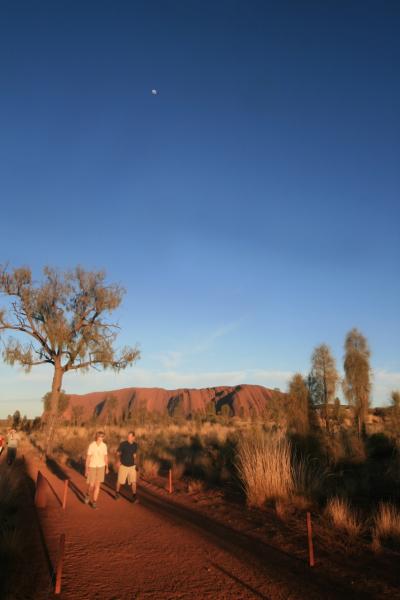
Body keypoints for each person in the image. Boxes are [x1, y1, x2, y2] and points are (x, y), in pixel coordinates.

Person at [84, 431, 109, 509]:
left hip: (101, 466)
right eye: (100, 436)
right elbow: (88, 458)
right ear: (97, 437)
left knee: (97, 485)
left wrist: (107, 467)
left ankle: (94, 502)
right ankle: (88, 495)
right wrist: (86, 469)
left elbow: (105, 457)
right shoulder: (92, 445)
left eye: (102, 437)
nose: (101, 438)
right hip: (92, 466)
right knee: (91, 485)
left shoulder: (104, 446)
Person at [115, 431, 138, 502]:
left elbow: (135, 455)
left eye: (130, 437)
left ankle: (134, 496)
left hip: (132, 466)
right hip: (123, 465)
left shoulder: (135, 445)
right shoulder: (123, 444)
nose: (129, 438)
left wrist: (136, 464)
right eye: (128, 436)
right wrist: (118, 461)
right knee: (120, 481)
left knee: (133, 482)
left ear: (134, 437)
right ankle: (117, 493)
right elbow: (117, 453)